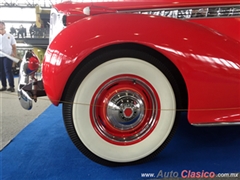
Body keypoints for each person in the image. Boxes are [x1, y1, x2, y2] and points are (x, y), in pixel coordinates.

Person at [0, 21, 17, 92]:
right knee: (1, 71)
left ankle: (11, 86)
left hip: (8, 56)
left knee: (8, 70)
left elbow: (14, 46)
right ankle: (4, 86)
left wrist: (14, 54)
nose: (0, 26)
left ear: (4, 26)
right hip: (0, 56)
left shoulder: (10, 36)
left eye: (1, 25)